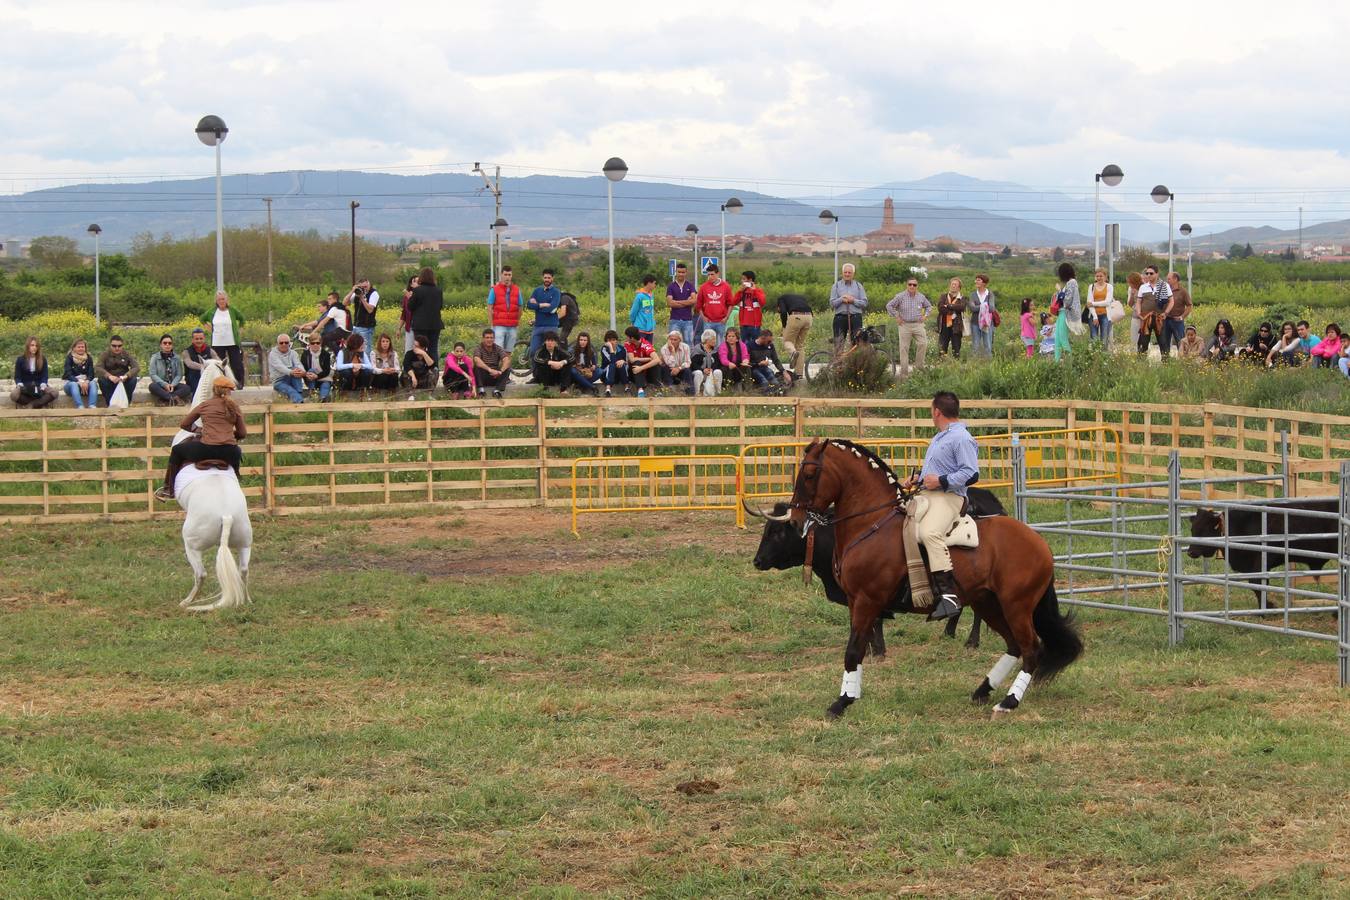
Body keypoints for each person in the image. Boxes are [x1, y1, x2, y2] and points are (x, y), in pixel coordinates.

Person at [905, 391, 980, 621]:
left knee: (929, 533)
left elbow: (971, 473)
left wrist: (941, 481)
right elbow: (937, 469)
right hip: (929, 493)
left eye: (931, 411)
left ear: (937, 411)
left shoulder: (962, 438)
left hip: (950, 497)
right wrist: (919, 478)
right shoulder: (940, 437)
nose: (931, 414)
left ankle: (948, 596)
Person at [156, 376, 246, 501]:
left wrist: (200, 431)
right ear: (230, 391)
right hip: (229, 452)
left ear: (214, 390)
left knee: (177, 450)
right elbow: (242, 433)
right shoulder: (234, 407)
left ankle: (168, 489)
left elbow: (184, 424)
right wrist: (229, 435)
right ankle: (236, 482)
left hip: (206, 449)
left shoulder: (205, 405)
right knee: (237, 452)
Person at [886, 276, 931, 377]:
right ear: (907, 285)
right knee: (904, 348)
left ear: (917, 286)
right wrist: (897, 316)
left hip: (918, 324)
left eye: (914, 285)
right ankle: (904, 373)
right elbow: (889, 306)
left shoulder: (921, 297)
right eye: (910, 284)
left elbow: (929, 306)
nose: (912, 286)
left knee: (923, 344)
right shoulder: (900, 296)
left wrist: (925, 316)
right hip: (904, 325)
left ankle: (919, 368)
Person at [202, 289, 246, 386]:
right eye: (219, 300)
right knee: (218, 364)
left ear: (226, 300)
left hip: (232, 342)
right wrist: (208, 327)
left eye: (223, 299)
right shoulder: (212, 312)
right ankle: (220, 383)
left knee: (236, 363)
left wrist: (240, 330)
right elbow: (202, 319)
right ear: (216, 301)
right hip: (217, 342)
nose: (221, 301)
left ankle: (238, 383)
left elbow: (242, 319)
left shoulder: (232, 310)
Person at [527, 269, 564, 377]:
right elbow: (529, 305)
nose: (547, 279)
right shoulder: (537, 290)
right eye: (545, 277)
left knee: (551, 352)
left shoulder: (556, 292)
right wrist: (542, 305)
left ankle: (552, 376)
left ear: (552, 278)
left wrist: (537, 306)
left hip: (551, 326)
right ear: (542, 278)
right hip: (538, 326)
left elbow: (552, 309)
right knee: (534, 351)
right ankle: (535, 376)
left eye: (549, 277)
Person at [407, 267, 444, 362]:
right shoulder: (438, 291)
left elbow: (410, 307)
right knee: (433, 349)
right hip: (435, 324)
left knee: (419, 349)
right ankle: (434, 370)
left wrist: (410, 298)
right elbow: (440, 306)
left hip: (420, 325)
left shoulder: (417, 290)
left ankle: (420, 370)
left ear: (421, 277)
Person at [828, 263, 868, 350]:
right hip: (840, 318)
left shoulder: (858, 286)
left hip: (855, 317)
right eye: (845, 272)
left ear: (853, 274)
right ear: (842, 273)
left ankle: (854, 362)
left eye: (849, 272)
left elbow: (864, 303)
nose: (847, 274)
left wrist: (853, 300)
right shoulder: (836, 286)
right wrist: (842, 299)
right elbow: (832, 303)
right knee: (839, 343)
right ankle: (838, 362)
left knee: (856, 343)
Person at [488, 265, 523, 360]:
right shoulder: (494, 289)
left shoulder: (517, 289)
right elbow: (489, 307)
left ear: (511, 276)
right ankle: (497, 372)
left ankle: (505, 373)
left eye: (509, 274)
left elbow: (520, 306)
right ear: (501, 275)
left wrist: (517, 320)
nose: (507, 277)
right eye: (505, 274)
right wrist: (491, 324)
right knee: (498, 351)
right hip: (499, 325)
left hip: (512, 325)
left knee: (508, 352)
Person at [11, 336, 57, 408]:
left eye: (36, 346)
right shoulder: (20, 359)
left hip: (39, 385)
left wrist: (43, 384)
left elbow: (45, 375)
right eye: (32, 345)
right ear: (28, 346)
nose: (34, 347)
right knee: (13, 394)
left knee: (55, 392)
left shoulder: (42, 359)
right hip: (25, 386)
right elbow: (17, 377)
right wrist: (20, 384)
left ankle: (31, 405)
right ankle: (39, 404)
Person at [148, 334, 194, 405]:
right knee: (152, 386)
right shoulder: (155, 357)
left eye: (169, 343)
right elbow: (153, 374)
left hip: (173, 385)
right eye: (165, 343)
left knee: (187, 388)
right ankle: (173, 398)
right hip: (160, 385)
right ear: (161, 345)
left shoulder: (177, 358)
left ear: (172, 345)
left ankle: (164, 400)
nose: (167, 345)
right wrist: (164, 384)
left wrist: (172, 385)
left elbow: (179, 374)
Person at [695, 264, 735, 345]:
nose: (710, 277)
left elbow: (731, 304)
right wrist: (703, 317)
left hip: (721, 321)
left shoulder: (726, 286)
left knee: (721, 345)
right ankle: (708, 357)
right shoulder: (704, 287)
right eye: (708, 274)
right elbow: (698, 305)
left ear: (717, 274)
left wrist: (726, 317)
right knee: (708, 344)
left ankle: (720, 358)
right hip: (708, 322)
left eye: (712, 274)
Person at [777, 290, 813, 379]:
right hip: (809, 317)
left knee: (787, 341)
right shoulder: (801, 298)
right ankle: (799, 374)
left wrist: (784, 326)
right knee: (800, 346)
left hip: (796, 316)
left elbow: (783, 312)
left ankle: (793, 353)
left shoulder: (781, 299)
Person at [96, 335, 140, 406]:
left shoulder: (126, 354)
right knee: (101, 380)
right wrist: (109, 376)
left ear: (122, 345)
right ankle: (110, 404)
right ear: (110, 345)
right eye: (114, 346)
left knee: (133, 380)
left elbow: (136, 367)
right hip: (110, 380)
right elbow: (98, 367)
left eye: (119, 346)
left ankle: (126, 404)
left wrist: (126, 376)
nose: (117, 348)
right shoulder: (105, 354)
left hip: (123, 380)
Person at [622, 326, 662, 397]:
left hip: (644, 371)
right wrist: (649, 359)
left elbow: (657, 359)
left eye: (627, 337)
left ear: (632, 338)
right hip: (633, 373)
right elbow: (632, 359)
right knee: (636, 363)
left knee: (656, 364)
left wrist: (641, 368)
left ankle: (658, 389)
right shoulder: (628, 344)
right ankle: (640, 390)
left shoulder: (645, 344)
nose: (626, 338)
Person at [1138, 266, 1170, 354]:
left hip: (1159, 317)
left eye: (1151, 273)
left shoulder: (1164, 286)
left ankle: (1166, 364)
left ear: (1157, 274)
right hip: (1146, 318)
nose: (1148, 275)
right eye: (1147, 273)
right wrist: (1139, 313)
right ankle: (1141, 364)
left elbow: (1171, 301)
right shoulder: (1143, 287)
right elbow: (1138, 301)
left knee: (1163, 342)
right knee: (1143, 342)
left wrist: (1166, 313)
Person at [268, 333, 308, 403]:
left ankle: (299, 398)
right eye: (281, 343)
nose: (284, 344)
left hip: (292, 376)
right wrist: (291, 372)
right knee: (290, 390)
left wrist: (302, 371)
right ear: (277, 344)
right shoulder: (273, 354)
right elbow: (280, 367)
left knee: (297, 370)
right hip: (279, 380)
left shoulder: (293, 353)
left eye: (286, 342)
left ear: (289, 344)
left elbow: (298, 364)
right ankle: (300, 402)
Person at [1052, 262, 1080, 362]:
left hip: (1066, 313)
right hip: (1062, 313)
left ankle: (1070, 362)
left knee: (1062, 338)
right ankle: (1056, 362)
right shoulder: (1070, 283)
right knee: (1057, 339)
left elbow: (1067, 301)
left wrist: (1059, 291)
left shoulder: (1072, 282)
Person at [471, 329, 511, 398]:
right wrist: (489, 369)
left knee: (507, 368)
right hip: (483, 376)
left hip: (495, 376)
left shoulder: (498, 348)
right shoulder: (478, 348)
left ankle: (497, 390)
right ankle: (481, 391)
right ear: (483, 338)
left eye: (491, 337)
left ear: (494, 339)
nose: (489, 340)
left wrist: (500, 372)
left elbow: (506, 360)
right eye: (487, 337)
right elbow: (477, 360)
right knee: (477, 367)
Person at [666, 263, 698, 346]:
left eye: (683, 272)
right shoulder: (671, 286)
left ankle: (688, 359)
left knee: (689, 343)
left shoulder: (690, 285)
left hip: (688, 320)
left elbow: (694, 300)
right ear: (676, 272)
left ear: (686, 273)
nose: (681, 274)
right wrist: (686, 302)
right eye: (679, 272)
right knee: (672, 343)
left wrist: (677, 302)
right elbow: (670, 303)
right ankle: (673, 359)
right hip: (674, 320)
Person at [63, 338, 99, 409]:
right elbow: (68, 374)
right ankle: (80, 406)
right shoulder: (69, 358)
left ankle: (92, 405)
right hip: (72, 384)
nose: (81, 349)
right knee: (73, 384)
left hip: (86, 384)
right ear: (74, 348)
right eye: (78, 347)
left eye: (82, 347)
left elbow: (91, 373)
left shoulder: (88, 358)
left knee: (93, 383)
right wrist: (79, 382)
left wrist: (87, 381)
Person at [1160, 272, 1191, 356]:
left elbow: (1189, 306)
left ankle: (1182, 362)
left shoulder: (1183, 291)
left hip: (1177, 321)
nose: (1167, 280)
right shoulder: (1164, 290)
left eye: (1169, 279)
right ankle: (1165, 362)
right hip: (1165, 320)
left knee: (1180, 342)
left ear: (1175, 279)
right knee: (1164, 343)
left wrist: (1182, 317)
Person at [967, 274, 997, 358]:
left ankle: (988, 363)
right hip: (975, 322)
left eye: (978, 280)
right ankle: (974, 364)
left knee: (987, 344)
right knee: (975, 344)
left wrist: (979, 306)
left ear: (984, 283)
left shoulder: (990, 294)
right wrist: (984, 306)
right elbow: (972, 308)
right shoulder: (973, 294)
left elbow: (991, 308)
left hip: (987, 323)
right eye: (976, 279)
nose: (976, 281)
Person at [936, 277, 967, 358]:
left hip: (956, 326)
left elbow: (962, 307)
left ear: (959, 287)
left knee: (956, 348)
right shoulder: (943, 296)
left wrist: (949, 305)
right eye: (952, 284)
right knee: (942, 347)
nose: (953, 286)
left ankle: (955, 366)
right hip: (944, 325)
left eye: (955, 284)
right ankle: (941, 365)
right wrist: (953, 310)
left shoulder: (962, 298)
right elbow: (940, 308)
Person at [347, 278, 380, 351]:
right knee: (353, 348)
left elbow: (370, 310)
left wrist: (362, 298)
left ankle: (366, 362)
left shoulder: (374, 293)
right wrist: (353, 290)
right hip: (355, 326)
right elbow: (345, 303)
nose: (364, 289)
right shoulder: (357, 293)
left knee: (366, 350)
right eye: (362, 287)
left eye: (365, 287)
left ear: (369, 283)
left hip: (366, 327)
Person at [734, 271, 766, 344]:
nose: (742, 281)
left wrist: (754, 290)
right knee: (744, 346)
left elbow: (763, 302)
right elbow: (733, 302)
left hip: (755, 325)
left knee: (755, 346)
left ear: (750, 280)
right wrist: (740, 291)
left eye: (744, 279)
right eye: (742, 279)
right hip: (743, 325)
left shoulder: (758, 290)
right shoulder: (742, 292)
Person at [299, 333, 333, 401]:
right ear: (309, 344)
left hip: (323, 377)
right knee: (311, 370)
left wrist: (317, 376)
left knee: (325, 386)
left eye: (317, 343)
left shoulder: (326, 354)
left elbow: (327, 370)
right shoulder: (305, 354)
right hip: (310, 378)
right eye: (313, 343)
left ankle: (323, 399)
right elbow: (303, 368)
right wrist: (307, 375)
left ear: (321, 343)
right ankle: (312, 393)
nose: (315, 345)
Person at [690, 329, 723, 397]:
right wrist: (703, 370)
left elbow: (717, 363)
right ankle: (697, 393)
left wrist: (712, 369)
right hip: (700, 373)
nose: (715, 341)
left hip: (710, 373)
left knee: (718, 372)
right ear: (707, 340)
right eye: (713, 339)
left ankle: (718, 393)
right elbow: (693, 365)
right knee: (698, 373)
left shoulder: (715, 350)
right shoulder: (697, 350)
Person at [718, 326, 752, 390]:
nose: (731, 338)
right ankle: (728, 387)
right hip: (727, 367)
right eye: (729, 336)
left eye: (733, 336)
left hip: (738, 366)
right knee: (725, 369)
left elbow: (745, 356)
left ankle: (746, 387)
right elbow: (723, 359)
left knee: (747, 367)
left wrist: (745, 360)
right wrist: (729, 363)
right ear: (726, 338)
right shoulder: (723, 346)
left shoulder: (742, 345)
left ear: (737, 338)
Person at [1086, 268, 1114, 344]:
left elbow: (1107, 302)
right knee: (1094, 339)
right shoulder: (1091, 287)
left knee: (1104, 340)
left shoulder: (1109, 287)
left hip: (1105, 315)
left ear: (1105, 276)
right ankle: (1095, 355)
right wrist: (1095, 316)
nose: (1098, 278)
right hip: (1093, 315)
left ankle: (1104, 355)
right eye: (1097, 276)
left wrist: (1094, 303)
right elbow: (1089, 303)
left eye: (1101, 276)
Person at [629, 274, 659, 345]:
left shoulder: (651, 295)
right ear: (649, 283)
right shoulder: (639, 296)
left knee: (649, 352)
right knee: (640, 351)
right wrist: (633, 322)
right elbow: (633, 312)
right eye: (654, 283)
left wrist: (653, 324)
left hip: (650, 330)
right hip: (640, 329)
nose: (655, 285)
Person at [599, 330, 630, 397]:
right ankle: (608, 390)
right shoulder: (604, 349)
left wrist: (623, 361)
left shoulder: (622, 349)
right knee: (612, 365)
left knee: (622, 365)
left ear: (616, 340)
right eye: (609, 340)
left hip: (619, 375)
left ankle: (627, 388)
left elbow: (627, 362)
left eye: (613, 340)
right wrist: (611, 349)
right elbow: (612, 361)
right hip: (606, 375)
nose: (611, 342)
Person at [182, 328, 213, 394]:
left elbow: (218, 361)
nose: (199, 341)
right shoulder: (186, 352)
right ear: (192, 340)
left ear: (204, 339)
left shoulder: (210, 350)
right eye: (196, 339)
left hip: (207, 376)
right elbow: (189, 364)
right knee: (193, 372)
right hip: (193, 378)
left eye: (201, 338)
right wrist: (205, 367)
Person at [399, 274, 419, 352]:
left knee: (419, 349)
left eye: (419, 281)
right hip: (410, 326)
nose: (418, 283)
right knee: (409, 349)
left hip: (420, 327)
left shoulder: (422, 295)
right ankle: (407, 364)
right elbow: (404, 313)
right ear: (411, 284)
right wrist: (399, 328)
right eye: (415, 281)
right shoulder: (406, 297)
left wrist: (409, 296)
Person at [1125, 271, 1145, 349]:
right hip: (1135, 316)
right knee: (1133, 337)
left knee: (1143, 337)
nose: (1129, 284)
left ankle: (1143, 353)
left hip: (1143, 317)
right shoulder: (1132, 289)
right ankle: (1134, 353)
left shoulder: (1144, 288)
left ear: (1134, 281)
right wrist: (1133, 294)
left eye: (1130, 282)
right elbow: (1129, 304)